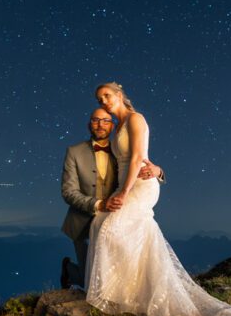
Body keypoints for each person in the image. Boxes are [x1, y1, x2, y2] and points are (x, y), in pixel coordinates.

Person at [85, 82, 231, 316]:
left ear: (119, 95)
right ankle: (131, 294)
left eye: (107, 96)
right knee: (102, 223)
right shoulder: (117, 126)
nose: (104, 101)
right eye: (100, 99)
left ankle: (122, 295)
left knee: (111, 229)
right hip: (127, 183)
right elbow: (131, 159)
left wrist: (125, 191)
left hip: (139, 186)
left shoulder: (135, 119)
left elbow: (136, 158)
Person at [60, 108, 164, 289]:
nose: (100, 124)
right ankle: (69, 270)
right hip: (83, 221)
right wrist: (99, 204)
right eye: (95, 120)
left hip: (116, 217)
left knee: (114, 275)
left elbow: (139, 163)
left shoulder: (120, 150)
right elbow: (68, 192)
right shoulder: (73, 152)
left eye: (105, 121)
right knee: (90, 282)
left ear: (113, 126)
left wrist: (159, 171)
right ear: (89, 124)